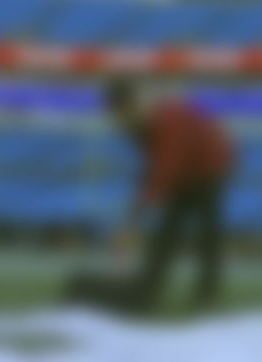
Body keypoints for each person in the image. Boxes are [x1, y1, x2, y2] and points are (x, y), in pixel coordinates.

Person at [75, 77, 235, 313]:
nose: (118, 120)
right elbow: (154, 166)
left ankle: (206, 295)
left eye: (120, 112)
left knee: (207, 234)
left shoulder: (167, 119)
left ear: (131, 105)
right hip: (185, 172)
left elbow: (166, 167)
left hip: (209, 169)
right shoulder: (137, 124)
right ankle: (150, 289)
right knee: (168, 236)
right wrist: (138, 206)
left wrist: (137, 211)